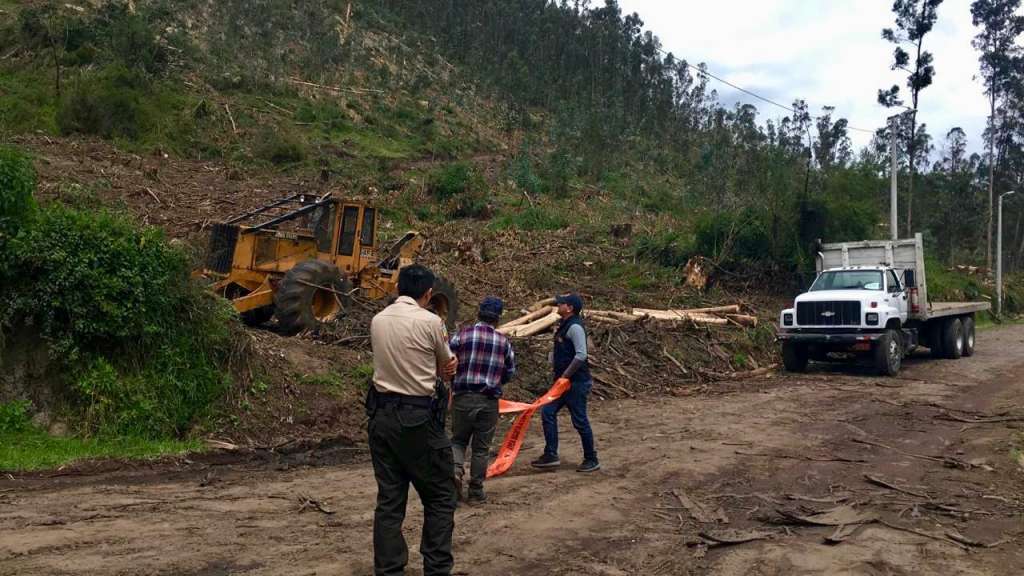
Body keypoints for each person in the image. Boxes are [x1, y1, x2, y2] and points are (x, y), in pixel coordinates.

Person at [366, 264, 459, 576]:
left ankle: (389, 569)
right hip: (417, 417)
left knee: (390, 499)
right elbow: (446, 367)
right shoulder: (431, 321)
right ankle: (436, 568)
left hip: (380, 416)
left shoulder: (378, 320)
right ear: (428, 293)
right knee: (441, 495)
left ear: (397, 288)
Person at [448, 296, 516, 504]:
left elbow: (448, 359)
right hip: (488, 401)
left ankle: (455, 473)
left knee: (458, 440)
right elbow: (510, 371)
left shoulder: (462, 336)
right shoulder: (503, 342)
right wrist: (496, 380)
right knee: (481, 448)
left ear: (479, 313)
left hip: (463, 397)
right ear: (498, 319)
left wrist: (454, 379)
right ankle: (476, 491)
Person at [531, 292, 600, 473]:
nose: (558, 305)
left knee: (579, 420)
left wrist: (565, 376)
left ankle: (591, 458)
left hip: (576, 383)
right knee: (547, 411)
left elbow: (581, 355)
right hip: (562, 383)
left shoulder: (575, 327)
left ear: (569, 308)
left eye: (561, 303)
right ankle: (551, 454)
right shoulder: (563, 325)